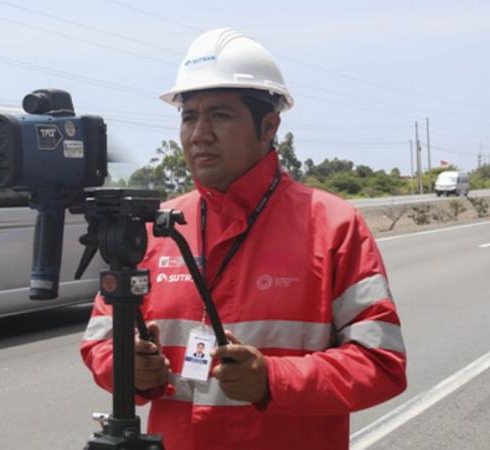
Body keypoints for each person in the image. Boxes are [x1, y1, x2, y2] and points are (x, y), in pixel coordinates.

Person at [81, 28, 407, 450]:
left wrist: (273, 379)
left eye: (220, 114)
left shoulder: (334, 227)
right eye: (189, 116)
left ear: (269, 126)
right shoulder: (153, 228)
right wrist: (128, 367)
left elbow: (382, 364)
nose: (200, 133)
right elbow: (99, 340)